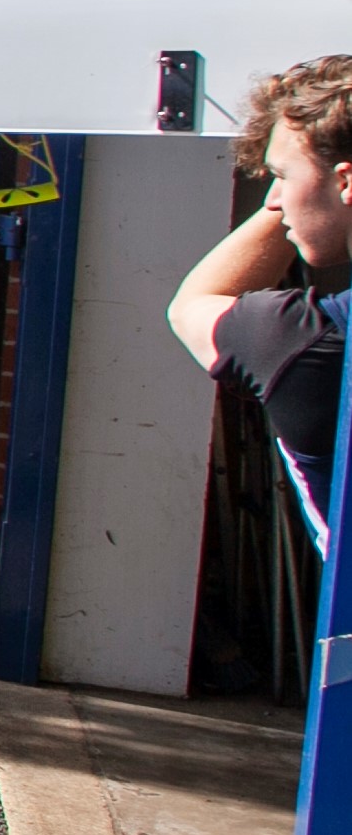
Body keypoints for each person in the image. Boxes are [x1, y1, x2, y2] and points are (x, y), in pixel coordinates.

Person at [170, 55, 352, 552]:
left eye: (282, 176)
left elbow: (194, 305)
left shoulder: (304, 343)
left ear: (345, 181)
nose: (273, 200)